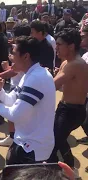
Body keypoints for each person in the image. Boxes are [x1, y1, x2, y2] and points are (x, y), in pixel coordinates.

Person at [0, 36, 55, 165]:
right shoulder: (29, 74)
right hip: (25, 141)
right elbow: (11, 100)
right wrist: (0, 91)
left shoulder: (37, 78)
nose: (10, 57)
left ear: (26, 56)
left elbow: (16, 115)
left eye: (14, 53)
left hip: (33, 147)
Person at [49, 28, 88, 174]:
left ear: (71, 46)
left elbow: (52, 85)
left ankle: (54, 170)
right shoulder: (67, 62)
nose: (56, 47)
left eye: (59, 44)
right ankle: (70, 167)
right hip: (65, 107)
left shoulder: (75, 64)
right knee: (59, 139)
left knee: (55, 141)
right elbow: (59, 82)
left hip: (72, 111)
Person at [0, 24, 31, 147]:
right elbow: (15, 68)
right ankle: (13, 136)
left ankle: (13, 137)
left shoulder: (25, 52)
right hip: (16, 84)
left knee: (13, 113)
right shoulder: (24, 50)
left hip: (18, 85)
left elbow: (14, 70)